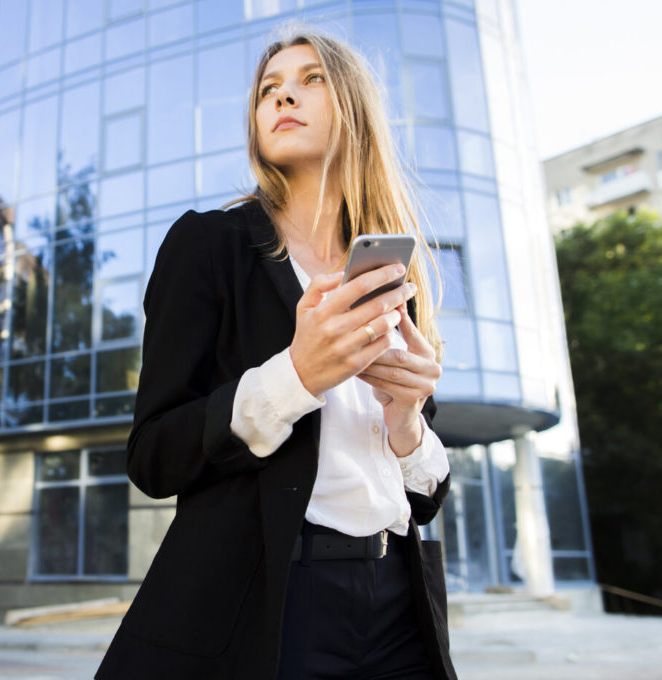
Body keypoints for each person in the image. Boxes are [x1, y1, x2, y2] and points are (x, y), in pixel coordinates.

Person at [96, 26, 456, 680]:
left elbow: (425, 498)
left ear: (355, 105)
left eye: (310, 79)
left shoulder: (390, 272)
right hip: (273, 604)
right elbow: (152, 454)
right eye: (269, 89)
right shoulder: (209, 245)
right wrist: (295, 376)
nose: (283, 97)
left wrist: (407, 422)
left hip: (400, 606)